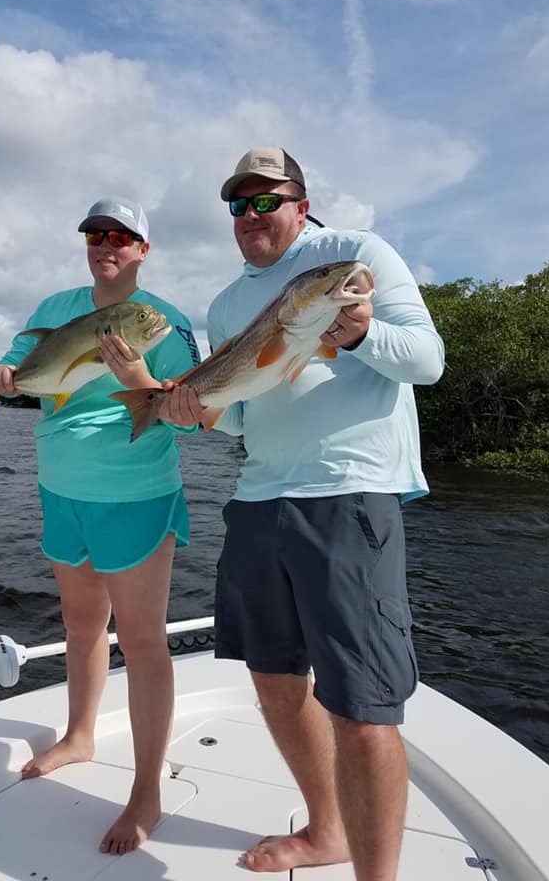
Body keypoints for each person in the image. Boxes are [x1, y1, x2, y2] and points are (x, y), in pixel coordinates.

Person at [160, 148, 444, 880]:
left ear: (301, 202)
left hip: (348, 493)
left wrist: (357, 332)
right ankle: (328, 830)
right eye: (238, 204)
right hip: (258, 500)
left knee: (362, 705)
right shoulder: (226, 305)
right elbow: (241, 421)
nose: (251, 215)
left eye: (267, 200)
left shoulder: (354, 255)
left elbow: (427, 360)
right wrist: (193, 410)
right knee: (273, 677)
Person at [0, 196, 200, 857]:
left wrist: (139, 374)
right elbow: (24, 369)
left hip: (134, 494)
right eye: (95, 234)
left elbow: (189, 407)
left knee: (142, 643)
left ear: (143, 249)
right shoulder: (54, 309)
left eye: (122, 236)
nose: (106, 244)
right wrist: (1, 377)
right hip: (61, 488)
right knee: (80, 626)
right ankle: (79, 735)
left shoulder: (165, 322)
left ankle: (145, 795)